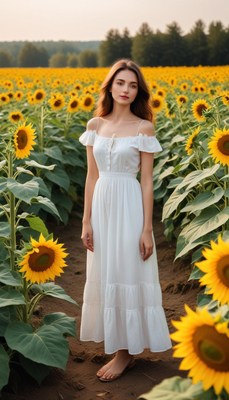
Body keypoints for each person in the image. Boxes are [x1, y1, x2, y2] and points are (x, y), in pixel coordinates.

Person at [78, 59, 171, 382]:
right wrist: (86, 221)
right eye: (121, 83)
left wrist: (147, 229)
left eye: (133, 85)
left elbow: (147, 181)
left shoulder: (143, 128)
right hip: (102, 203)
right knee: (107, 270)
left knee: (128, 268)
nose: (126, 90)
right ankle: (119, 343)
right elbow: (91, 177)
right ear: (110, 85)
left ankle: (125, 353)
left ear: (138, 91)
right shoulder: (95, 126)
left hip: (129, 205)